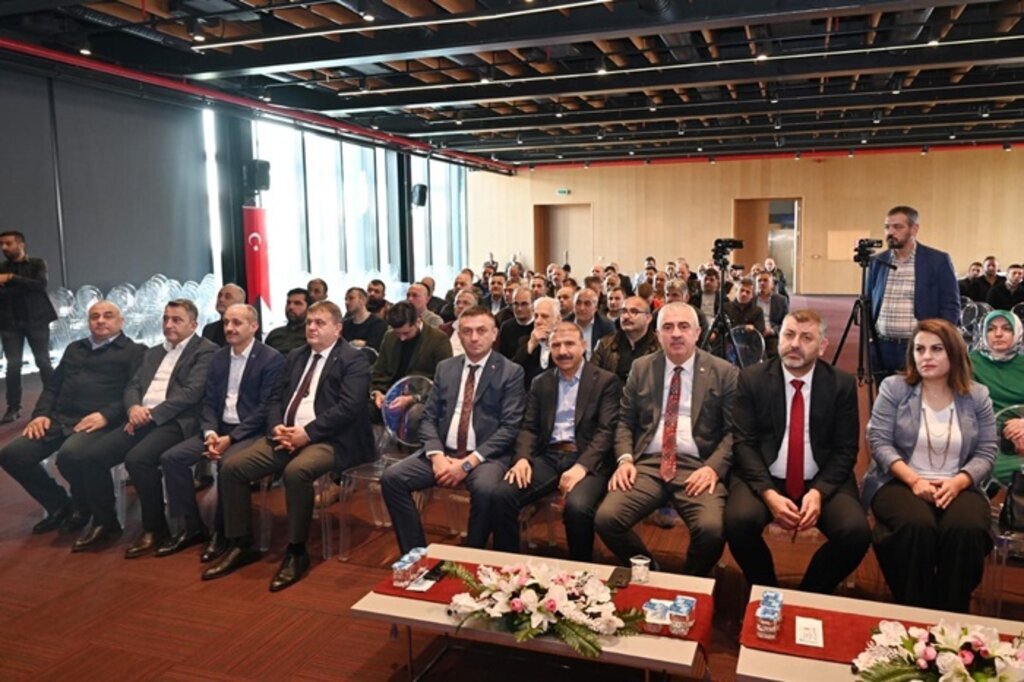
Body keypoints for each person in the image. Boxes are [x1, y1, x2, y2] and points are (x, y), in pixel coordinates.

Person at [203, 301, 375, 590]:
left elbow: (349, 408)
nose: (311, 327)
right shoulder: (296, 355)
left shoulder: (353, 359)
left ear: (337, 328)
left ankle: (296, 551)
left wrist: (306, 434)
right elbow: (274, 399)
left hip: (331, 439)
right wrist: (276, 427)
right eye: (309, 322)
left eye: (319, 323)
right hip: (285, 435)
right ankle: (241, 543)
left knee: (296, 473)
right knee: (232, 467)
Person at [725, 310, 870, 593]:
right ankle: (766, 591)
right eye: (789, 335)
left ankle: (809, 594)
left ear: (822, 346)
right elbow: (743, 443)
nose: (794, 344)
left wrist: (819, 492)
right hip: (764, 475)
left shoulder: (840, 384)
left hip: (821, 477)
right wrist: (768, 493)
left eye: (806, 338)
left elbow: (845, 450)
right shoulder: (752, 378)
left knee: (855, 533)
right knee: (738, 522)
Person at [863, 318, 996, 612]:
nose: (926, 356)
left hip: (958, 483)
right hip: (899, 480)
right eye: (919, 349)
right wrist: (914, 480)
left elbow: (987, 451)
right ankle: (915, 611)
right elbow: (879, 442)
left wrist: (959, 482)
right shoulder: (894, 388)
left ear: (954, 353)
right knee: (916, 526)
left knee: (966, 528)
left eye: (936, 349)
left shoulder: (977, 396)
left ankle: (951, 612)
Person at [594, 303, 738, 575]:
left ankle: (690, 580)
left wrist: (713, 468)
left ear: (697, 332)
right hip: (647, 463)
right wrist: (625, 459)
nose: (676, 334)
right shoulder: (641, 367)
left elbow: (734, 432)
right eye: (668, 327)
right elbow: (624, 421)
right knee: (607, 518)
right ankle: (650, 569)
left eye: (684, 327)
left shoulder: (723, 371)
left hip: (698, 466)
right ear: (658, 334)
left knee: (711, 529)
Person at [65, 299, 218, 555]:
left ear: (193, 324)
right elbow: (133, 385)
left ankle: (155, 528)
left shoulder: (206, 351)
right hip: (140, 418)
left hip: (177, 421)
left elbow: (191, 393)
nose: (168, 325)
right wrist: (133, 409)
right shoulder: (153, 351)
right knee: (92, 457)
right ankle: (106, 523)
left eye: (176, 320)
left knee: (138, 460)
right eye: (166, 319)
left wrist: (151, 415)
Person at [381, 306, 526, 553]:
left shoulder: (510, 372)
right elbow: (428, 417)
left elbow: (510, 427)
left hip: (484, 456)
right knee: (392, 478)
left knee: (486, 490)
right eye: (467, 331)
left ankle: (470, 555)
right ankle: (416, 555)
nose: (474, 337)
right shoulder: (446, 368)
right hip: (444, 452)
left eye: (481, 331)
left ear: (494, 334)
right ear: (459, 335)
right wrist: (436, 456)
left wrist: (467, 464)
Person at [0, 301, 144, 534]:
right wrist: (41, 414)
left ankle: (93, 513)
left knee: (70, 456)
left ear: (121, 321)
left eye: (108, 316)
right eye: (94, 316)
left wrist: (106, 416)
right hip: (60, 419)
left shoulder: (135, 351)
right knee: (12, 455)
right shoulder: (75, 348)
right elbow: (52, 387)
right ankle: (60, 504)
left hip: (100, 423)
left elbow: (135, 391)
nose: (100, 320)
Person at [156, 304, 284, 560]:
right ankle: (191, 527)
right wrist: (210, 432)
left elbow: (265, 408)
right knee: (172, 458)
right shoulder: (219, 357)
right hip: (218, 428)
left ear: (254, 326)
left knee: (227, 464)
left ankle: (222, 532)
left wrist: (231, 438)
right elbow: (209, 401)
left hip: (250, 431)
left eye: (237, 323)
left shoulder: (271, 358)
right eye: (226, 322)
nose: (229, 328)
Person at [497, 323, 620, 560]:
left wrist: (581, 466)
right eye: (556, 345)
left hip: (587, 460)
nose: (563, 351)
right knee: (502, 493)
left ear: (583, 346)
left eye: (569, 344)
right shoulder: (541, 382)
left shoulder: (606, 381)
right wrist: (522, 458)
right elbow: (529, 427)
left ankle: (581, 570)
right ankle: (508, 564)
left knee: (577, 508)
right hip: (549, 457)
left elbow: (606, 431)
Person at [868, 205, 960, 375]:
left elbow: (950, 305)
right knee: (885, 390)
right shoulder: (878, 262)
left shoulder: (937, 260)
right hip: (882, 346)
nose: (890, 232)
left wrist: (939, 340)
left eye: (898, 227)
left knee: (919, 390)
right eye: (887, 227)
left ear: (914, 229)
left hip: (919, 346)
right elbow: (869, 301)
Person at [0, 230, 57, 424]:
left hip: (37, 320)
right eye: (2, 244)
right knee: (13, 365)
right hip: (9, 323)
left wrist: (11, 279)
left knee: (43, 361)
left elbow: (40, 285)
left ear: (21, 244)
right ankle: (13, 407)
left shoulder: (37, 263)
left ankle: (54, 402)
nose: (4, 248)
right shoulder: (1, 268)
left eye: (8, 243)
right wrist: (23, 286)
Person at [969, 310, 1024, 484]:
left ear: (1017, 333)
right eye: (991, 329)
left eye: (1006, 329)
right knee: (1015, 471)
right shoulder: (970, 363)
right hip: (989, 439)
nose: (998, 334)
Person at [370, 302, 452, 412]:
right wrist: (377, 392)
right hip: (389, 392)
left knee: (415, 413)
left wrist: (413, 398)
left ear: (418, 321)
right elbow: (379, 371)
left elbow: (444, 380)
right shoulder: (390, 336)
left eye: (406, 333)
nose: (402, 338)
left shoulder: (438, 339)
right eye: (397, 333)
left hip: (420, 396)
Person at [592, 296, 660, 385]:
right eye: (623, 311)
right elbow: (592, 377)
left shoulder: (660, 346)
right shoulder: (605, 344)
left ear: (648, 318)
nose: (626, 316)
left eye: (634, 312)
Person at [512, 297, 559, 390]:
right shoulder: (525, 342)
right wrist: (531, 345)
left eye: (544, 316)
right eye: (536, 316)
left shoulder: (566, 345)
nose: (538, 321)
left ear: (558, 320)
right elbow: (513, 372)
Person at [567, 288, 615, 355]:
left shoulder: (606, 326)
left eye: (587, 304)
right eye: (578, 303)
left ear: (595, 308)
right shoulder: (564, 323)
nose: (582, 308)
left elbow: (609, 355)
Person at [264, 288, 311, 355]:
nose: (291, 307)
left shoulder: (312, 335)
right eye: (288, 303)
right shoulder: (274, 334)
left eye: (297, 303)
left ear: (308, 308)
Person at [342, 287, 388, 351]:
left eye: (351, 298)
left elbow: (374, 347)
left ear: (363, 300)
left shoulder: (378, 324)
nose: (347, 302)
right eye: (346, 299)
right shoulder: (345, 324)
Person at [754, 272, 788, 358]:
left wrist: (773, 331)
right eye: (759, 281)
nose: (762, 283)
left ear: (772, 284)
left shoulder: (781, 300)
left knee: (775, 354)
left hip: (772, 334)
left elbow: (786, 323)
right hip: (754, 334)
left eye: (765, 280)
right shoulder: (750, 299)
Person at [497, 287, 534, 359]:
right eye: (516, 304)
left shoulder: (538, 326)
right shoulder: (506, 327)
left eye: (524, 304)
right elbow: (502, 357)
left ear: (533, 305)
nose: (519, 308)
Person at [441, 289, 479, 355]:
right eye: (457, 303)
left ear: (475, 308)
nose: (460, 306)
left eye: (466, 303)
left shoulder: (482, 330)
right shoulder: (443, 329)